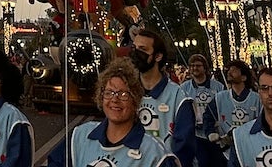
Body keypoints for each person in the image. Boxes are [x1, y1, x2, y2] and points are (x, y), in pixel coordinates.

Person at [48, 57, 178, 167]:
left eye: (123, 94)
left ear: (135, 99)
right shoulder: (80, 136)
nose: (115, 99)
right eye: (109, 93)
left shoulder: (154, 154)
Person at [132, 29, 186, 146]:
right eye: (134, 48)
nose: (136, 53)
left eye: (142, 49)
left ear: (158, 56)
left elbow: (184, 146)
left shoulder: (178, 97)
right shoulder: (127, 91)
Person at [173, 52, 220, 167]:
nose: (195, 68)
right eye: (192, 65)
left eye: (198, 65)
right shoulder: (183, 88)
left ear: (205, 68)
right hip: (195, 135)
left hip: (215, 134)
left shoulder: (218, 86)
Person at [216, 62, 261, 149]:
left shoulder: (256, 99)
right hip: (226, 149)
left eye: (234, 70)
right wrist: (210, 132)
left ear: (244, 77)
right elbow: (208, 117)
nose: (229, 72)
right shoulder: (220, 97)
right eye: (229, 70)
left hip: (250, 148)